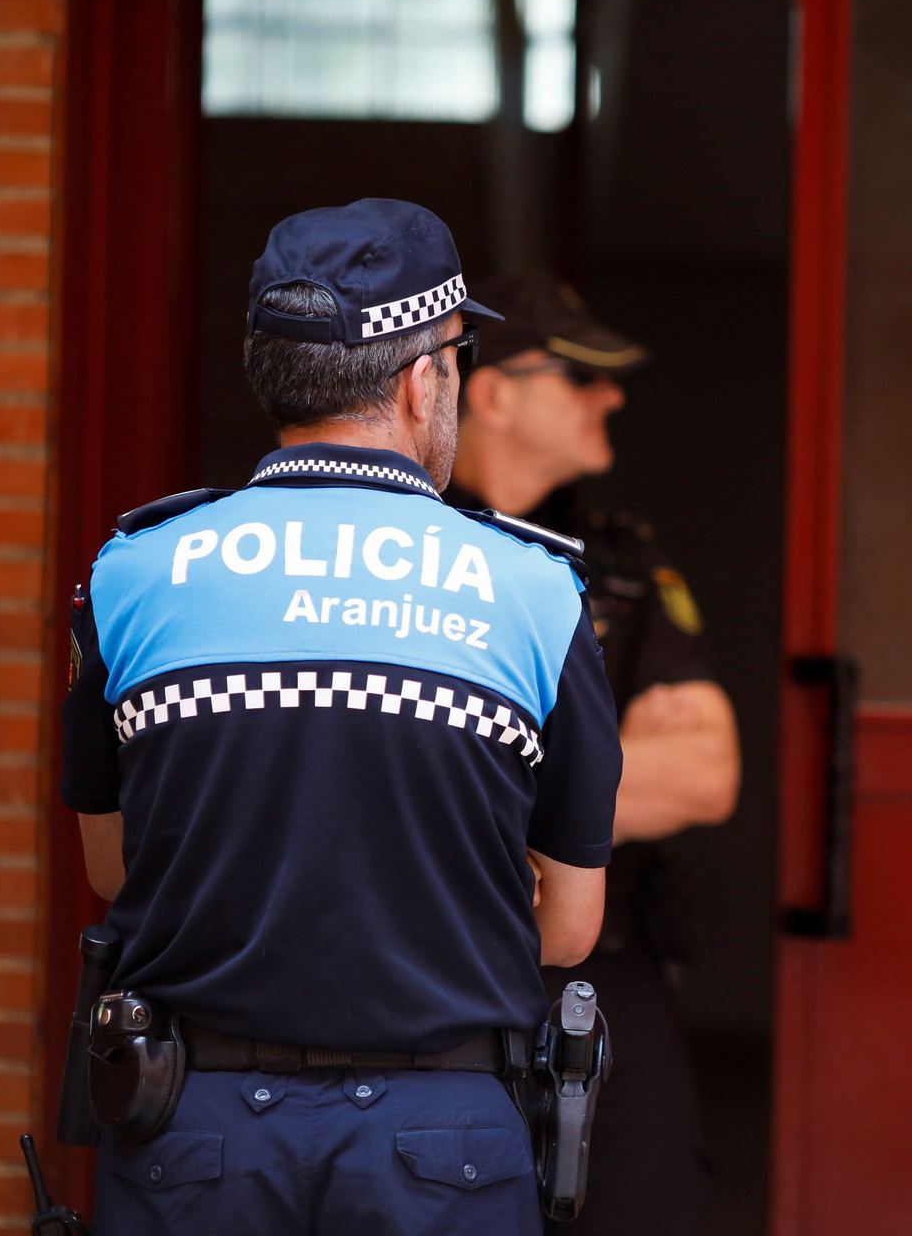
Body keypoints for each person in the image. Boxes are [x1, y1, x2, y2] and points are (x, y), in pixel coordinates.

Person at [59, 200, 621, 1234]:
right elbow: (571, 924)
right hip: (441, 1139)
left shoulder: (132, 571)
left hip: (195, 1128)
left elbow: (115, 866)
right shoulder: (535, 591)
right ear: (423, 380)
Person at [444, 273, 740, 1235]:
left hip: (601, 973)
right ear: (490, 392)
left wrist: (452, 777)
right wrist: (594, 765)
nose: (610, 396)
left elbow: (704, 771)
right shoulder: (395, 554)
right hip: (428, 956)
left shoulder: (613, 564)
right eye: (580, 377)